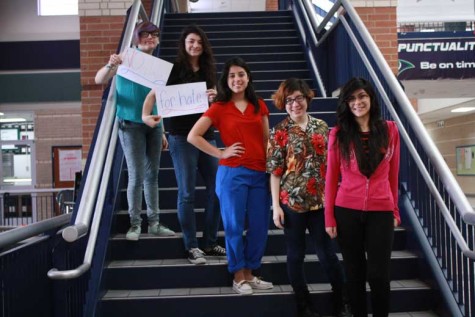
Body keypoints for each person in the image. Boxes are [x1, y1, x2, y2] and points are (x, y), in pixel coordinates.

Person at [187, 57, 273, 295]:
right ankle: (238, 276)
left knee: (258, 226)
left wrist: (273, 167)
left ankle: (252, 272)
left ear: (248, 78)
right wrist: (220, 152)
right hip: (232, 173)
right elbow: (193, 136)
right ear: (226, 80)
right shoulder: (219, 107)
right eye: (232, 76)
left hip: (260, 173)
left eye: (241, 74)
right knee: (234, 226)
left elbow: (266, 140)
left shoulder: (260, 105)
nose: (237, 79)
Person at [267, 78, 351, 317]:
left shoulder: (323, 127)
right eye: (290, 100)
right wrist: (275, 207)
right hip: (291, 204)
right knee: (295, 255)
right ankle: (303, 304)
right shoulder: (279, 132)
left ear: (307, 99)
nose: (295, 104)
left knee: (327, 253)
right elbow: (275, 173)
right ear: (284, 103)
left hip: (321, 203)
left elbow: (334, 166)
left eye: (299, 98)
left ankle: (342, 300)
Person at [142, 25, 225, 264]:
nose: (195, 45)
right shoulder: (174, 69)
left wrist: (214, 97)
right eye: (191, 41)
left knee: (217, 189)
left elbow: (216, 102)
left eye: (199, 41)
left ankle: (209, 243)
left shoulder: (210, 70)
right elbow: (152, 95)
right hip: (180, 136)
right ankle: (192, 247)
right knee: (187, 193)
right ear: (184, 43)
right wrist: (146, 116)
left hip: (206, 134)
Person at [325, 77, 401, 317]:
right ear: (346, 103)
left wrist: (395, 210)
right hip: (346, 210)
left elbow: (394, 174)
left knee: (379, 275)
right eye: (352, 98)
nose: (358, 102)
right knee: (354, 274)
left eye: (362, 96)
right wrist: (329, 217)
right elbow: (330, 178)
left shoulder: (389, 130)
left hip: (381, 210)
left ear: (371, 99)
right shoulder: (338, 135)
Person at [95, 21, 175, 241]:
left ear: (158, 39)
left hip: (154, 126)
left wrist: (163, 128)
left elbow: (157, 100)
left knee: (153, 176)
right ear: (137, 38)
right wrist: (111, 65)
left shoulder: (158, 66)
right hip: (130, 124)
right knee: (136, 175)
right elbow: (98, 79)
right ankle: (135, 225)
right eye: (145, 34)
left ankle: (155, 223)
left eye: (154, 35)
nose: (149, 38)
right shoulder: (124, 58)